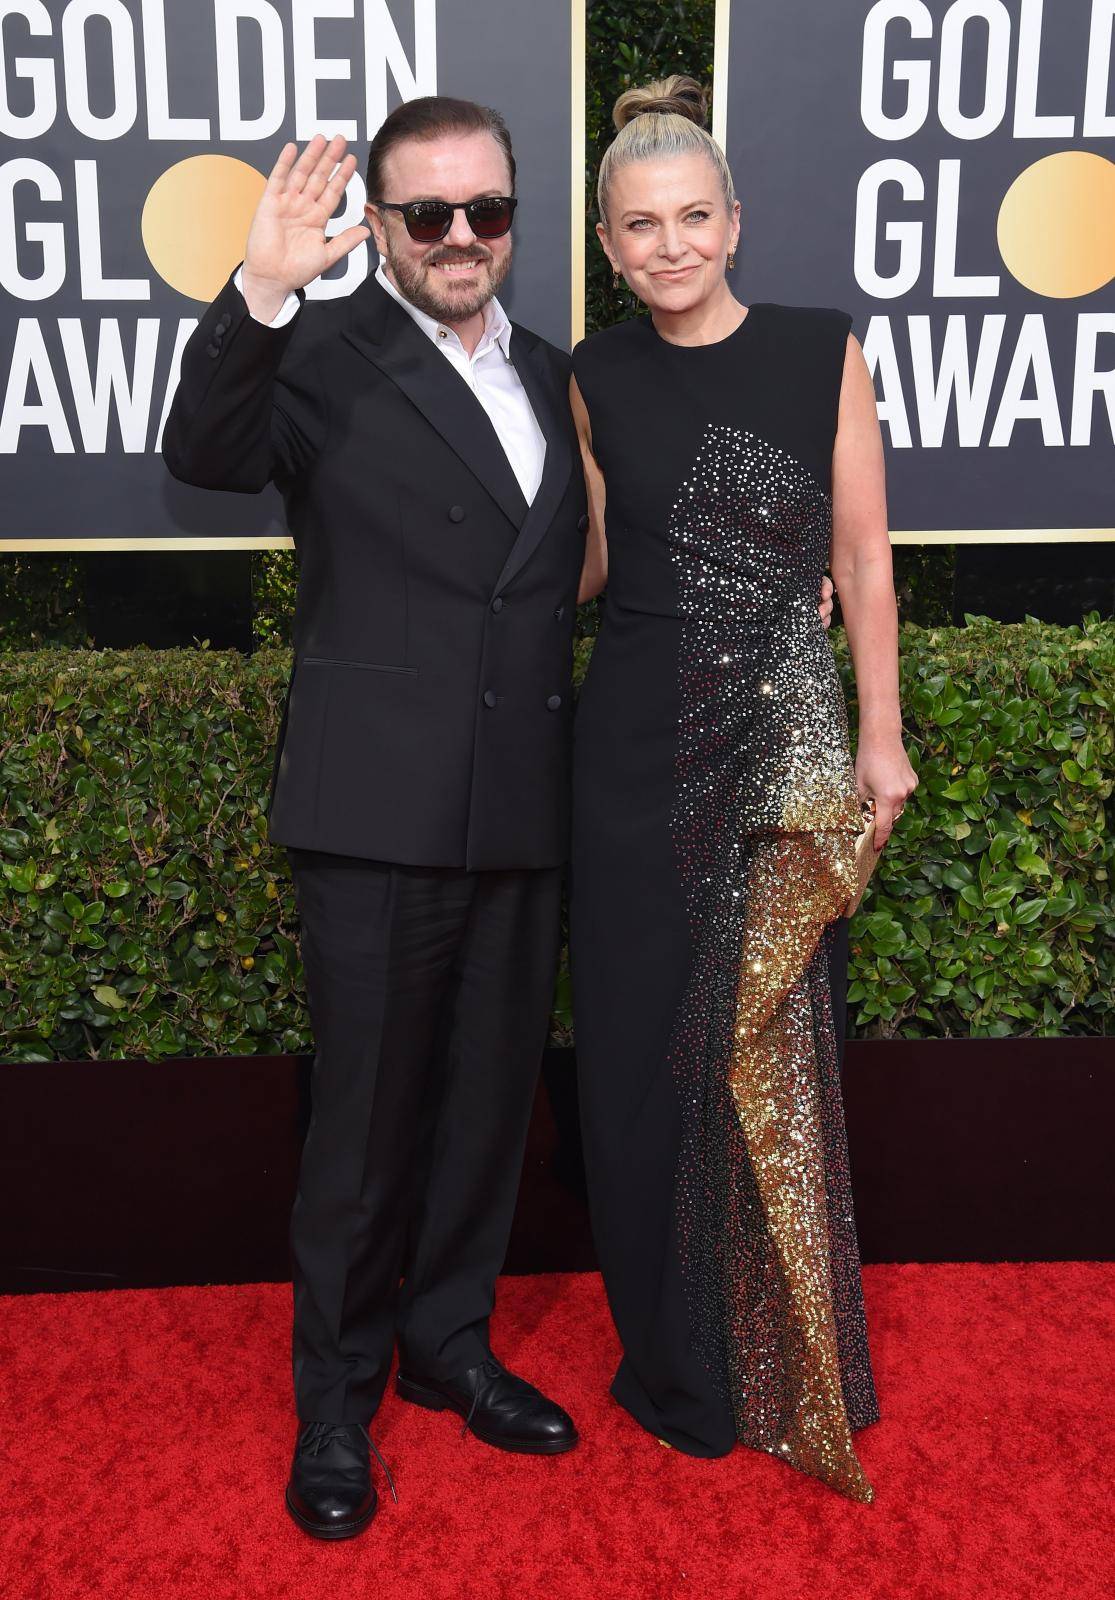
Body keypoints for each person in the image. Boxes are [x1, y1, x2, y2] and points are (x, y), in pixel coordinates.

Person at [163, 98, 589, 1541]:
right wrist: (264, 287)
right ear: (386, 227)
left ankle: (447, 1341)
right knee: (363, 1130)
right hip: (377, 807)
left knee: (484, 1107)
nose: (462, 238)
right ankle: (336, 1401)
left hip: (523, 803)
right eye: (429, 215)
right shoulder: (322, 357)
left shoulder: (547, 367)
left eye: (489, 211)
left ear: (515, 218)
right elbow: (203, 453)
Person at [568, 76, 918, 1505]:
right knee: (645, 1064)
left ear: (735, 220)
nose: (669, 246)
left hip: (779, 750)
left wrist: (880, 740)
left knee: (764, 1049)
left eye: (691, 218)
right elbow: (588, 573)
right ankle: (677, 1362)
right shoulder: (588, 378)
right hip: (631, 753)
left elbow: (867, 560)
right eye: (640, 227)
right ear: (606, 242)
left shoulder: (819, 349)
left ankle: (782, 1352)